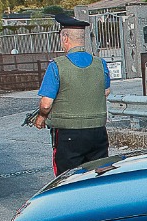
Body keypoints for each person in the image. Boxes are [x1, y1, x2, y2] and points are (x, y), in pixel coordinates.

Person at [32, 15, 111, 174]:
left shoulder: (57, 66)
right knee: (100, 177)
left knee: (68, 181)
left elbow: (46, 104)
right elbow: (105, 91)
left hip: (69, 135)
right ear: (83, 39)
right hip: (98, 133)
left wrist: (40, 118)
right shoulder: (100, 63)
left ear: (65, 38)